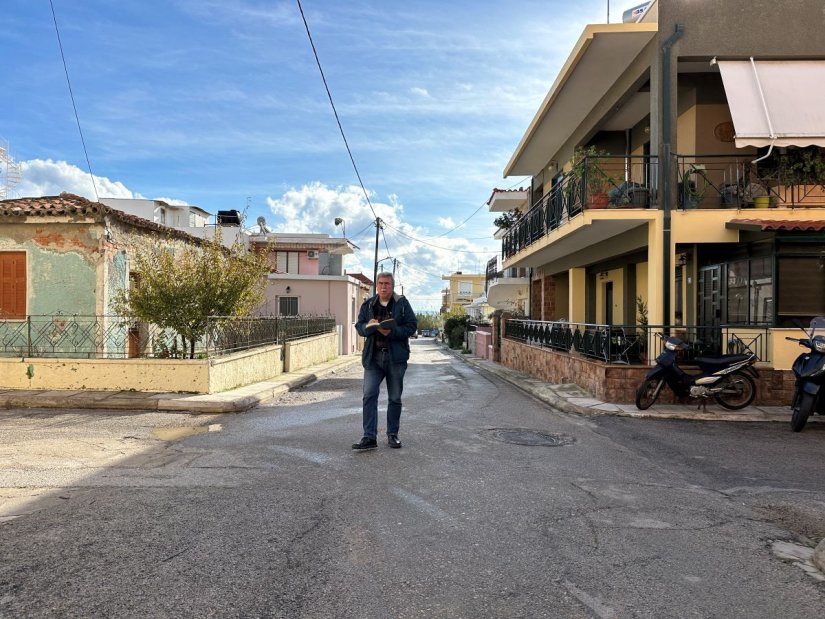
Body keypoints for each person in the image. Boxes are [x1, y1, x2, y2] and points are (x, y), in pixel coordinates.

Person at [352, 272, 417, 450]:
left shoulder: (402, 304)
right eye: (380, 283)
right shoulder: (368, 304)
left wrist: (393, 332)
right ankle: (369, 437)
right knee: (369, 395)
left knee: (394, 398)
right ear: (377, 285)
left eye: (387, 283)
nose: (383, 287)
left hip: (395, 358)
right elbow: (359, 326)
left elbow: (412, 326)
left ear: (392, 286)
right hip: (373, 358)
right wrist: (368, 327)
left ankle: (392, 435)